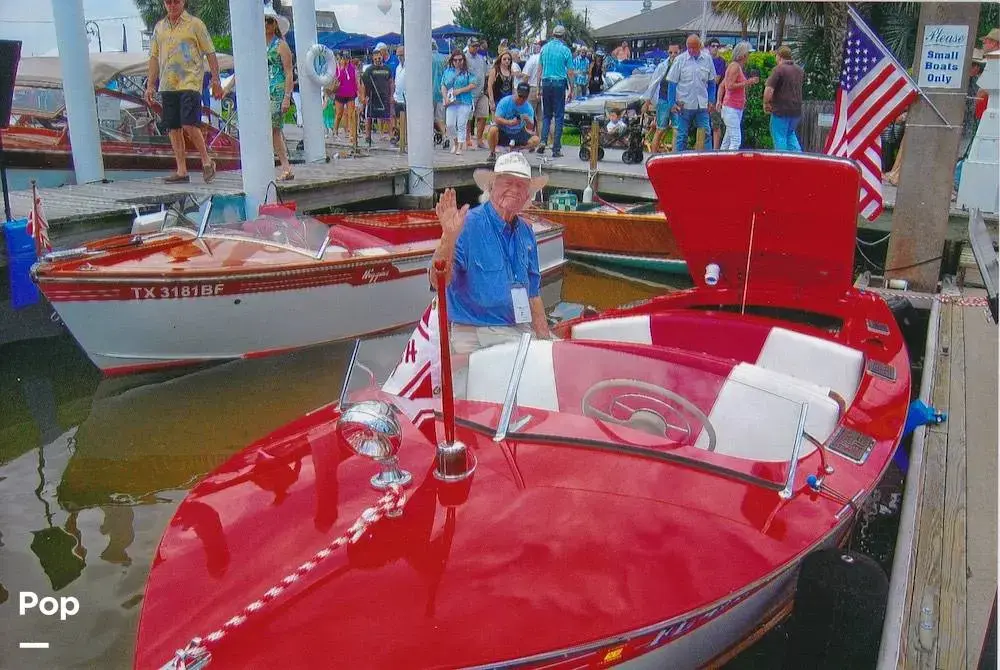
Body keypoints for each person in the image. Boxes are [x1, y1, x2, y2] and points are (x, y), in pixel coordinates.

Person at [431, 152, 553, 366]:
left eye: (521, 185)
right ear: (491, 187)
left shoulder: (526, 232)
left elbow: (533, 296)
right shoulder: (468, 225)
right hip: (477, 333)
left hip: (518, 330)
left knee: (552, 363)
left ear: (527, 195)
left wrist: (546, 342)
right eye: (508, 182)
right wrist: (448, 239)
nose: (514, 190)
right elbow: (437, 281)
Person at [144, 0, 223, 184]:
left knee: (189, 123)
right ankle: (181, 170)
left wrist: (216, 79)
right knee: (173, 127)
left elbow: (210, 52)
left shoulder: (195, 24)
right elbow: (154, 57)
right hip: (167, 83)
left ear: (183, 2)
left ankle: (206, 160)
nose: (172, 5)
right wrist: (150, 84)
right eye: (168, 2)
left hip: (190, 81)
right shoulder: (159, 27)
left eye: (176, 1)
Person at [263, 7, 294, 181]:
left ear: (275, 24)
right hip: (263, 91)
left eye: (269, 21)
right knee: (268, 130)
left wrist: (287, 97)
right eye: (264, 20)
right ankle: (282, 166)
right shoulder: (260, 44)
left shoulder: (281, 45)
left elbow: (289, 72)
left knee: (274, 129)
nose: (266, 24)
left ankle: (286, 167)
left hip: (277, 90)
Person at [535, 25, 574, 158]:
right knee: (558, 116)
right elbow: (570, 71)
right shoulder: (566, 50)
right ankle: (556, 148)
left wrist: (538, 87)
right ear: (563, 36)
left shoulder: (544, 49)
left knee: (546, 115)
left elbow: (539, 69)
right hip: (559, 83)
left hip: (546, 82)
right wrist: (572, 88)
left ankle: (543, 141)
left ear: (552, 34)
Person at [641, 43, 681, 153]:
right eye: (670, 52)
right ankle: (653, 155)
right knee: (660, 129)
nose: (673, 55)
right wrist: (647, 101)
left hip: (677, 101)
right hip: (663, 100)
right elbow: (653, 84)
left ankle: (673, 155)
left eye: (676, 53)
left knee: (677, 130)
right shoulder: (662, 66)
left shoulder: (682, 66)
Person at [718, 42, 758, 150]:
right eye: (748, 54)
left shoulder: (735, 66)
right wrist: (748, 82)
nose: (748, 57)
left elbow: (722, 85)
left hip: (735, 107)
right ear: (743, 55)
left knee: (728, 139)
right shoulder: (735, 67)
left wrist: (719, 101)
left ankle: (722, 161)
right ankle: (730, 163)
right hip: (731, 107)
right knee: (736, 139)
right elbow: (729, 86)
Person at [764, 45, 805, 152]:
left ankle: (781, 162)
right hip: (796, 111)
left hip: (780, 110)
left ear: (779, 56)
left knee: (780, 137)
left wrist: (766, 103)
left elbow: (769, 90)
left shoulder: (778, 70)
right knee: (790, 135)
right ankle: (798, 159)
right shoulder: (799, 71)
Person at [486, 81, 539, 160]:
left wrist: (527, 120)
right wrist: (509, 122)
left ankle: (517, 148)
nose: (521, 99)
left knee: (536, 140)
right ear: (516, 93)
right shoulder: (505, 102)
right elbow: (496, 119)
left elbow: (530, 127)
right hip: (504, 130)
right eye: (520, 96)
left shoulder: (528, 108)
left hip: (518, 132)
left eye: (524, 97)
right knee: (492, 130)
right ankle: (492, 153)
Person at [441, 50, 478, 156]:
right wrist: (445, 97)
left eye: (460, 60)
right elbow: (443, 85)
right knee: (450, 124)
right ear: (452, 61)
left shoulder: (468, 71)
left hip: (464, 101)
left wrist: (460, 90)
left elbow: (473, 84)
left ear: (463, 60)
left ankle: (460, 146)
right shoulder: (448, 71)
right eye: (455, 60)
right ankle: (456, 142)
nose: (458, 62)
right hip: (451, 101)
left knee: (461, 124)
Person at [360, 49, 392, 146]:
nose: (378, 60)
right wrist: (363, 97)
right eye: (376, 58)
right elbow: (363, 85)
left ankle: (392, 137)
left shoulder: (387, 69)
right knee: (369, 117)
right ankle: (367, 137)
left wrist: (391, 96)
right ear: (373, 59)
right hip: (372, 97)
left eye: (379, 57)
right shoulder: (369, 70)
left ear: (382, 57)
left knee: (387, 117)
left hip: (384, 97)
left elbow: (391, 83)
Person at [462, 38, 490, 150]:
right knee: (469, 117)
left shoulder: (481, 59)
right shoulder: (464, 58)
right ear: (468, 46)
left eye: (477, 46)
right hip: (469, 92)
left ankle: (479, 139)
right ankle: (468, 138)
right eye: (473, 46)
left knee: (483, 115)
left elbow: (486, 72)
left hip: (481, 91)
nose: (475, 48)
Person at [706, 37, 727, 149]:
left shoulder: (720, 62)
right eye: (713, 46)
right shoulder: (704, 60)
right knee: (704, 125)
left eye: (717, 46)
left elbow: (716, 80)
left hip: (714, 97)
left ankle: (715, 149)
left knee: (715, 124)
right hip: (703, 97)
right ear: (708, 47)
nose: (715, 48)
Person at [333, 51, 358, 140]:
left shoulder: (353, 68)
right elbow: (338, 80)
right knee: (339, 114)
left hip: (350, 93)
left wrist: (356, 92)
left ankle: (351, 133)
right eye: (344, 58)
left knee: (351, 114)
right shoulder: (338, 68)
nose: (346, 60)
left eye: (347, 58)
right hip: (340, 93)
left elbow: (355, 80)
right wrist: (342, 68)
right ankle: (335, 131)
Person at [487, 51, 517, 116]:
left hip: (508, 100)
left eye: (509, 59)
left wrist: (514, 98)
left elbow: (512, 87)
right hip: (497, 99)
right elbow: (489, 86)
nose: (507, 61)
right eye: (504, 59)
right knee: (497, 122)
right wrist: (491, 102)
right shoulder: (495, 71)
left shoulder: (511, 71)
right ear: (500, 59)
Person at [432, 40, 449, 148]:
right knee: (440, 118)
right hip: (442, 91)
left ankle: (431, 137)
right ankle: (445, 136)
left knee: (428, 117)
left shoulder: (425, 58)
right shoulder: (443, 58)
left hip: (429, 92)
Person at [391, 46, 406, 147]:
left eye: (402, 55)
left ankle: (405, 138)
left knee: (406, 119)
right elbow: (396, 82)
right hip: (398, 97)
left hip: (407, 98)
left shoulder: (410, 66)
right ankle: (400, 136)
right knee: (398, 119)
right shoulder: (398, 68)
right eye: (398, 56)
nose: (400, 57)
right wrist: (394, 95)